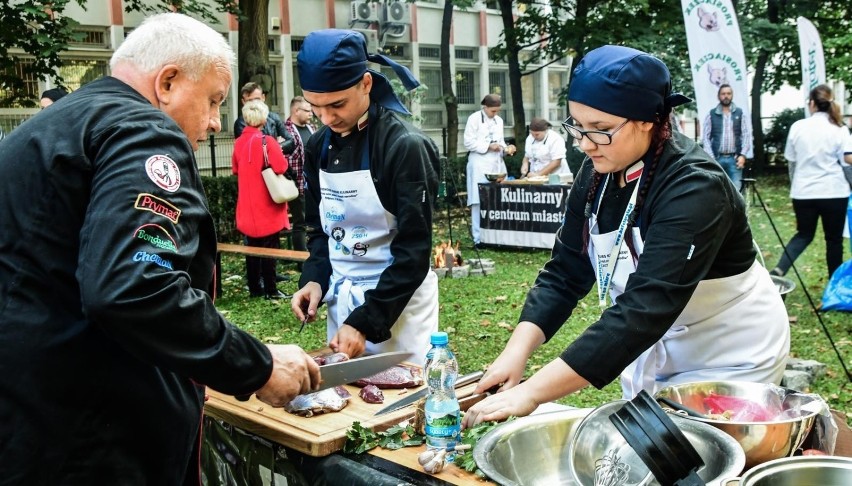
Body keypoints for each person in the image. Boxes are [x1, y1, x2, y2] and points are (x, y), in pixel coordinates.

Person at [0, 13, 320, 483]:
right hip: (97, 443)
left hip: (29, 422)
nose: (214, 122)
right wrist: (257, 365)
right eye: (213, 100)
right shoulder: (143, 131)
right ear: (167, 81)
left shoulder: (44, 129)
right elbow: (134, 285)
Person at [462, 45, 789, 428]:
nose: (584, 143)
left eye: (600, 130)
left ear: (648, 120)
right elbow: (566, 272)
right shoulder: (598, 170)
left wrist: (532, 392)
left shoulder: (695, 187)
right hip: (650, 339)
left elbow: (645, 308)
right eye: (577, 125)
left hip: (728, 350)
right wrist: (515, 353)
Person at [291, 29, 440, 364]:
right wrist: (314, 279)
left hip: (399, 307)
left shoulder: (404, 147)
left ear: (366, 85)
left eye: (337, 104)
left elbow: (413, 253)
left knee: (402, 404)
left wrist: (366, 320)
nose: (327, 119)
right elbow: (321, 232)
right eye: (315, 107)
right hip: (344, 304)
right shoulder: (317, 147)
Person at [769, 84, 852, 280]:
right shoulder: (840, 129)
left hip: (804, 192)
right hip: (834, 192)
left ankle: (780, 270)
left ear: (812, 104)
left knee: (803, 235)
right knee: (834, 240)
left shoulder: (797, 127)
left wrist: (795, 186)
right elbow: (846, 164)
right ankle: (834, 284)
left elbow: (792, 162)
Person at [232, 99, 291, 299]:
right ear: (264, 118)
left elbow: (235, 169)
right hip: (266, 202)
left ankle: (255, 288)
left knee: (252, 247)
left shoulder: (239, 142)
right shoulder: (268, 141)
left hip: (247, 204)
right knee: (270, 248)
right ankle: (271, 289)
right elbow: (282, 167)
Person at [464, 93, 516, 248]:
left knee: (497, 197)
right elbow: (468, 142)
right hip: (479, 163)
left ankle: (496, 235)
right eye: (493, 111)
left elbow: (499, 142)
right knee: (478, 200)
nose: (496, 114)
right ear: (485, 107)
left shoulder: (498, 121)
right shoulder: (474, 119)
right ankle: (478, 238)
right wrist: (487, 146)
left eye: (497, 111)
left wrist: (506, 149)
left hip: (496, 163)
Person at [702, 84, 752, 191]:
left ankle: (735, 209)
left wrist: (743, 155)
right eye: (723, 94)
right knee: (716, 190)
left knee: (737, 191)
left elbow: (746, 136)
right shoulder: (712, 114)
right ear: (718, 96)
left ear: (732, 95)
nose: (726, 96)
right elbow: (705, 138)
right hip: (717, 159)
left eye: (728, 93)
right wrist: (711, 158)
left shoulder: (740, 113)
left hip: (735, 160)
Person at [283, 95, 317, 254]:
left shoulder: (312, 128)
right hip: (296, 183)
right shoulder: (286, 131)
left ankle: (315, 251)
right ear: (296, 111)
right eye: (307, 111)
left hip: (314, 183)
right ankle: (301, 258)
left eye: (311, 111)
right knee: (300, 222)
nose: (311, 114)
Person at [233, 81, 295, 155]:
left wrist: (275, 147)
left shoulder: (274, 118)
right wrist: (275, 146)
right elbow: (252, 150)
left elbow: (291, 142)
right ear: (243, 102)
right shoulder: (241, 123)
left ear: (263, 97)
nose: (254, 103)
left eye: (257, 99)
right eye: (250, 100)